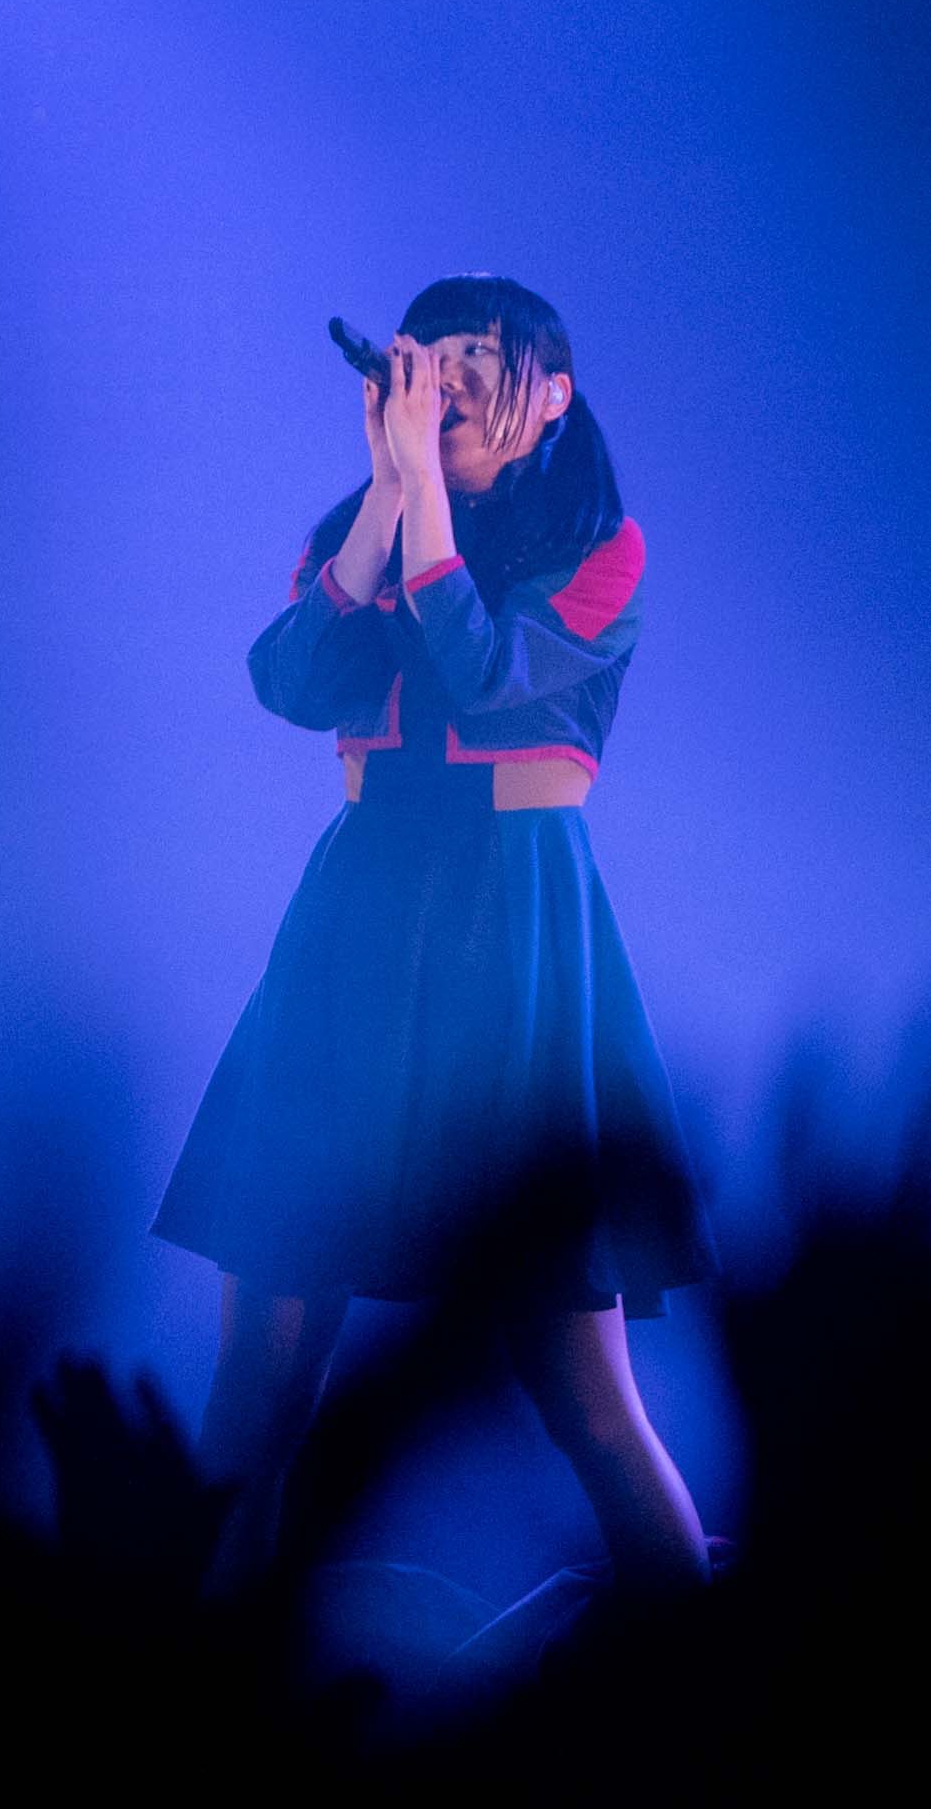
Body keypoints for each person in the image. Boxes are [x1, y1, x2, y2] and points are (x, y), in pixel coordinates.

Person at [152, 274, 721, 1603]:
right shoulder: (365, 520)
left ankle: (706, 1667)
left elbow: (483, 670)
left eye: (481, 356)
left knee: (583, 1393)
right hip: (358, 921)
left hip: (516, 932)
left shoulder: (601, 549)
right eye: (435, 354)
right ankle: (192, 1673)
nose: (448, 380)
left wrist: (421, 507)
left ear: (553, 394)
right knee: (260, 1375)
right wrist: (387, 493)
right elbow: (292, 680)